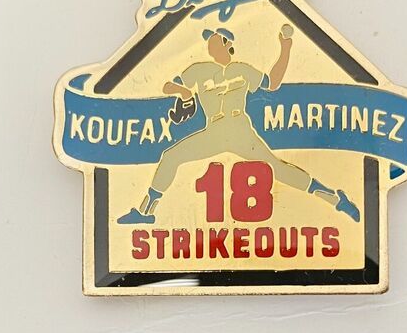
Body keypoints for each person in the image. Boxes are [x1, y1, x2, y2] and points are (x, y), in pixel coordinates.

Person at [117, 26, 360, 224]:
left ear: (226, 43)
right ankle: (146, 212)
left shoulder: (242, 70)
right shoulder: (199, 70)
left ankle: (335, 199)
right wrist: (183, 91)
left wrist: (285, 48)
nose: (209, 44)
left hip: (240, 130)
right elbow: (168, 85)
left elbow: (273, 83)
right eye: (208, 40)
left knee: (277, 168)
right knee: (171, 156)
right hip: (213, 131)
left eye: (213, 39)